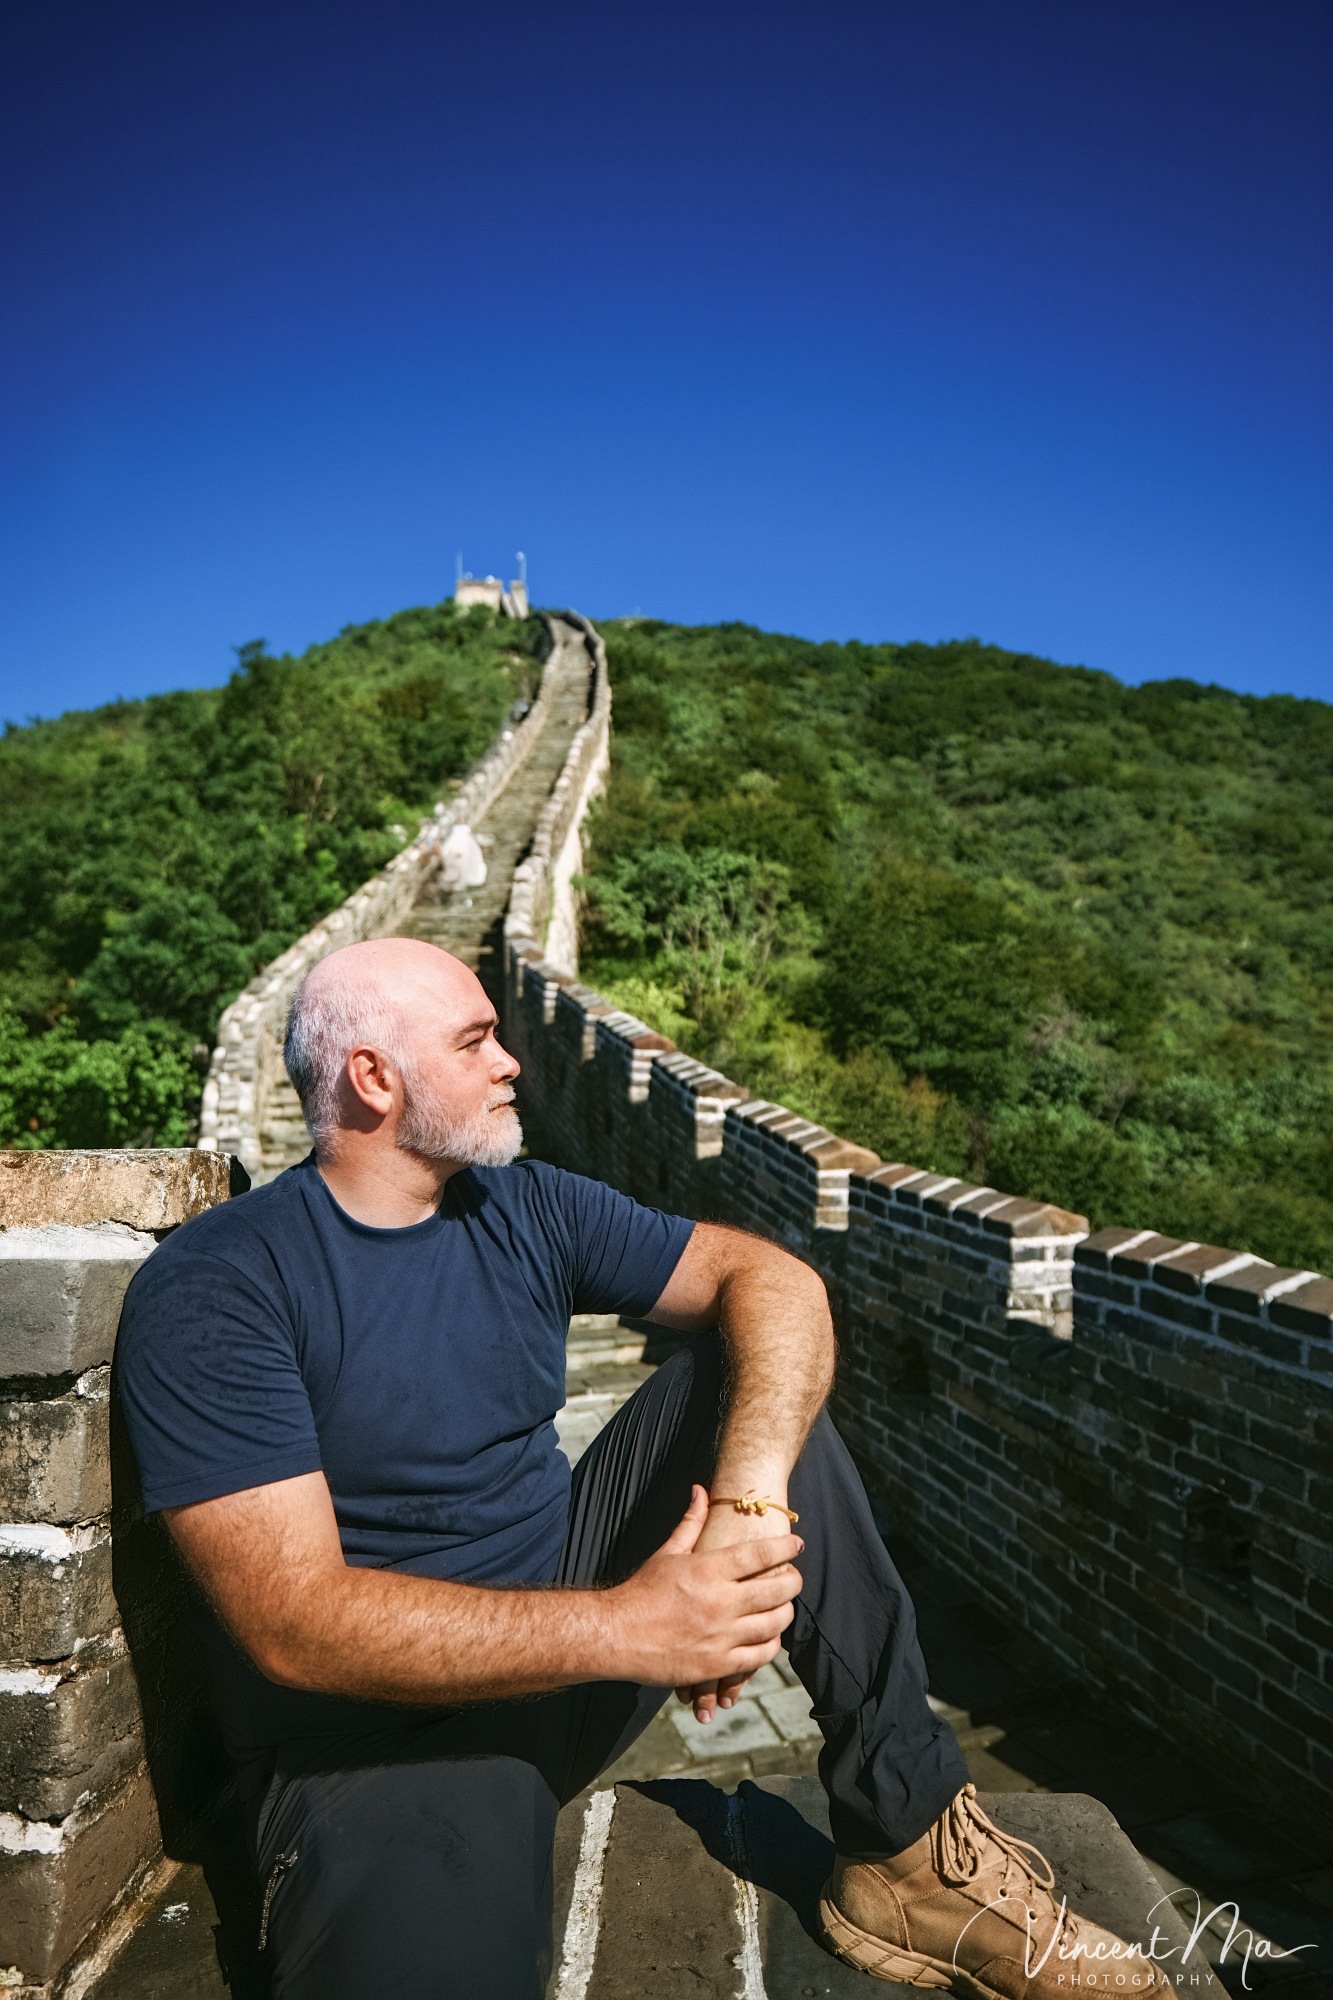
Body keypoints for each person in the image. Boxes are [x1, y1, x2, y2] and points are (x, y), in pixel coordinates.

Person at [115, 939, 1168, 1998]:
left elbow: (768, 1277)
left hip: (565, 1647)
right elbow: (291, 1621)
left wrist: (747, 1505)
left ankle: (909, 1851)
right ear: (374, 1077)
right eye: (475, 1038)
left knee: (746, 1380)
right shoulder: (222, 1285)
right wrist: (636, 1626)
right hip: (383, 1744)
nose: (512, 1060)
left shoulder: (520, 1207)